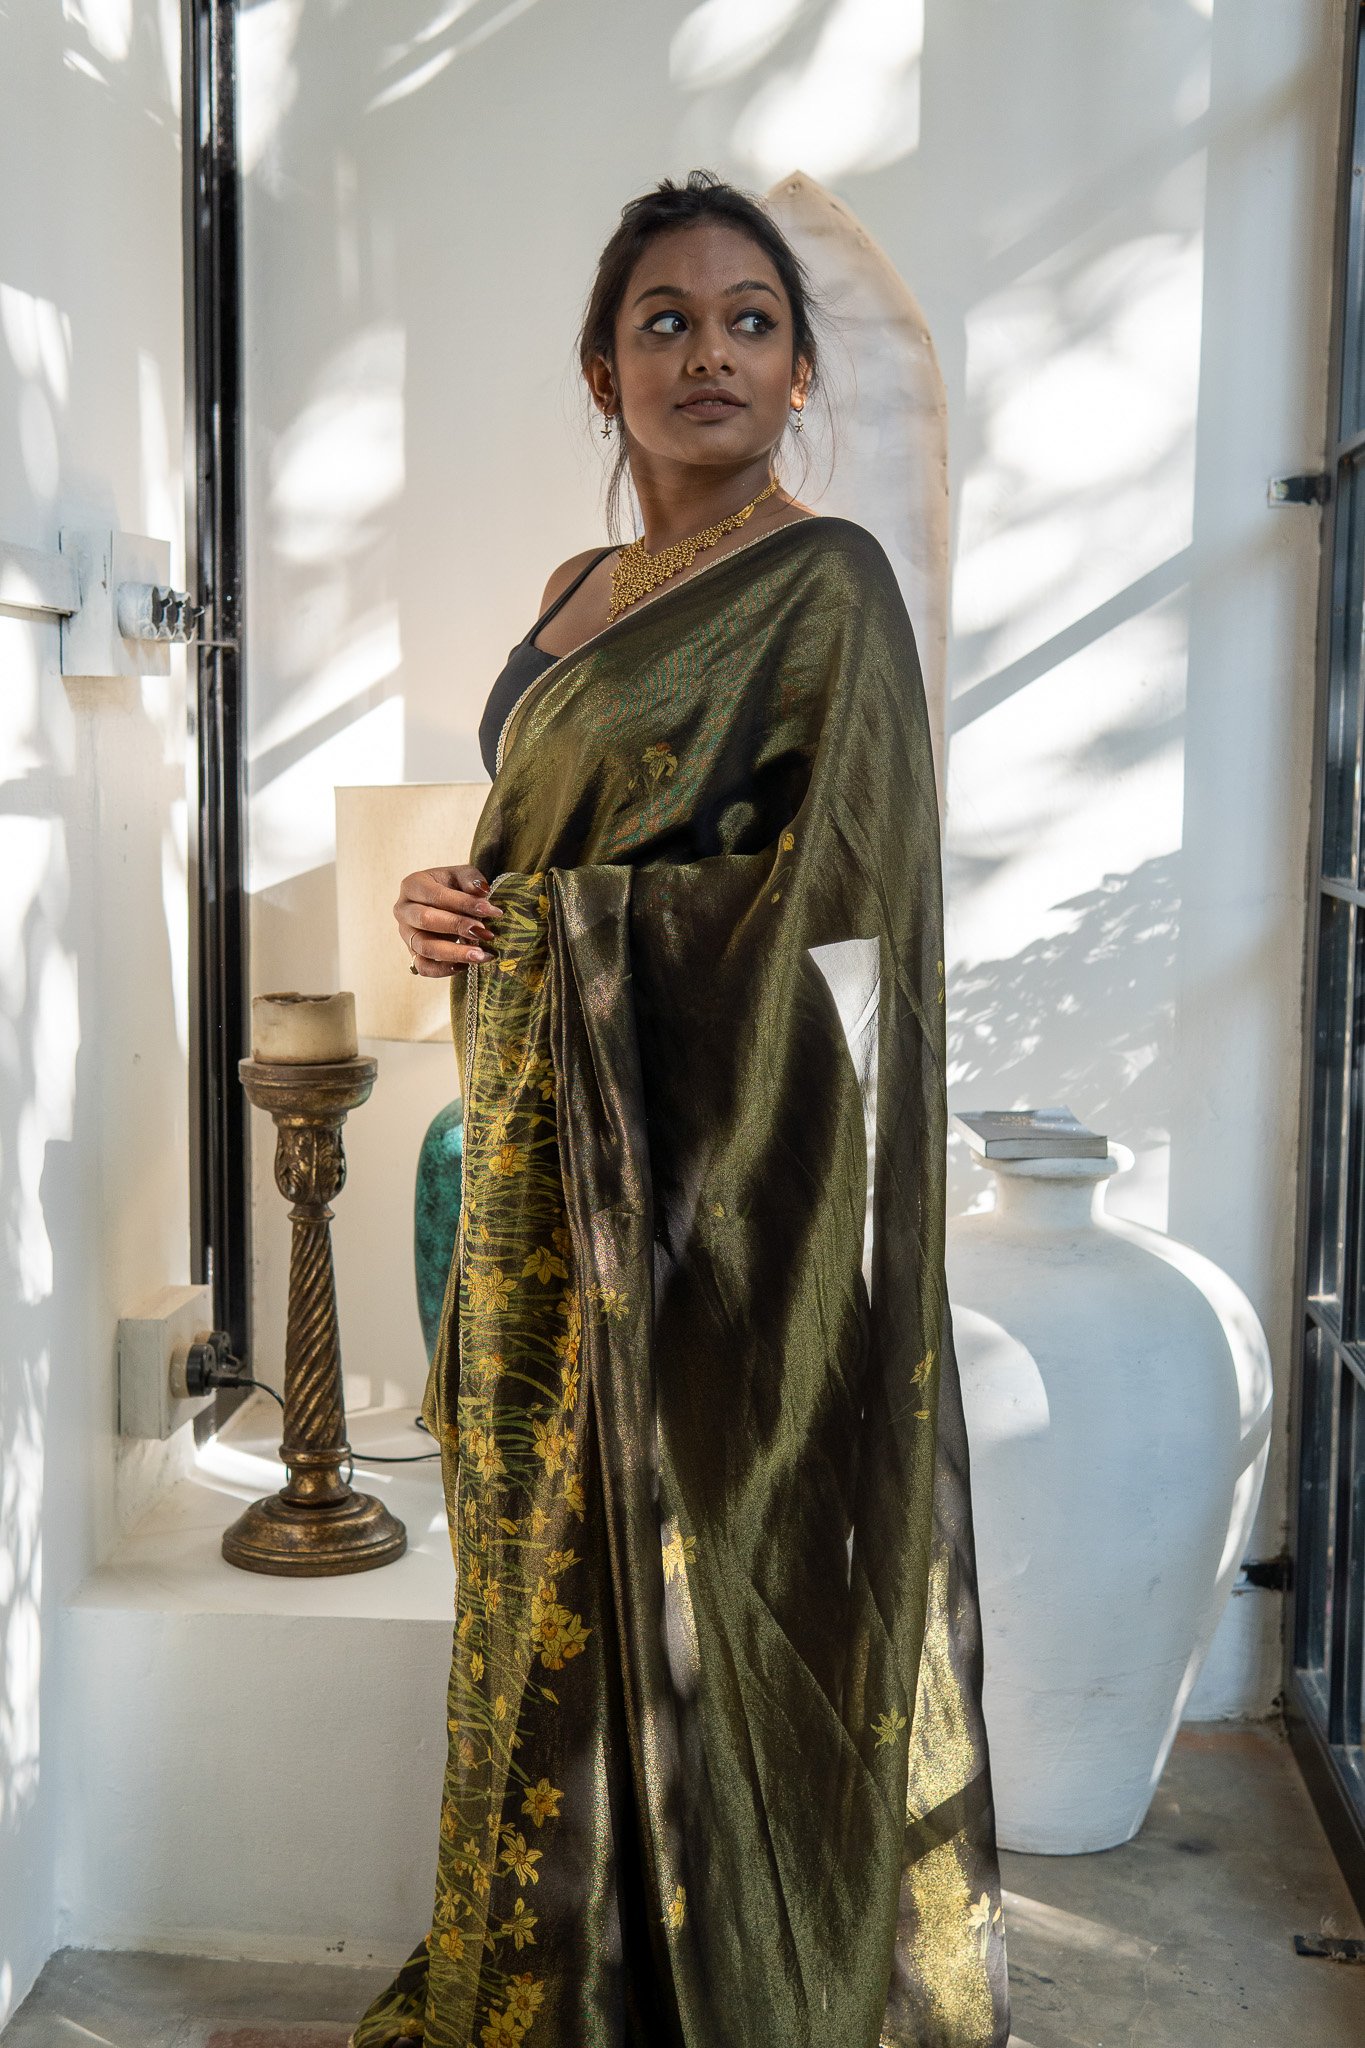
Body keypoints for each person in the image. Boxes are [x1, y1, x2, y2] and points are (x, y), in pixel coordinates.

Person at [354, 169, 1010, 2048]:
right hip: (537, 1148)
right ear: (603, 371)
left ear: (798, 371)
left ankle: (731, 1995)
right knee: (536, 1559)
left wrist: (572, 925)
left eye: (747, 321)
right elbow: (547, 838)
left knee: (712, 1566)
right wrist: (453, 905)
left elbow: (850, 895)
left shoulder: (827, 582)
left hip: (723, 1160)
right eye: (664, 321)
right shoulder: (572, 595)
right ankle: (546, 1978)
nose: (705, 353)